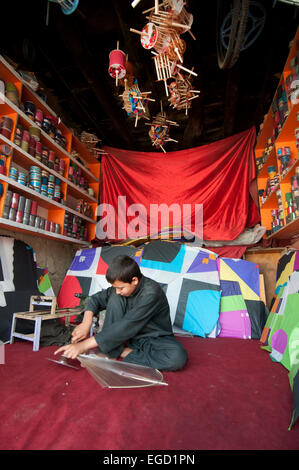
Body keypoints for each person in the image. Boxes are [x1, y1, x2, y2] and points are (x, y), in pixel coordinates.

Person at [54, 254, 188, 371]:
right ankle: (111, 350)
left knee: (177, 357)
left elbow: (127, 325)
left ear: (134, 280)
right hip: (130, 338)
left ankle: (120, 351)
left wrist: (83, 345)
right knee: (115, 298)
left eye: (121, 288)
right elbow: (95, 299)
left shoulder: (151, 293)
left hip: (154, 338)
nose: (117, 291)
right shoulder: (119, 288)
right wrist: (85, 323)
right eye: (115, 287)